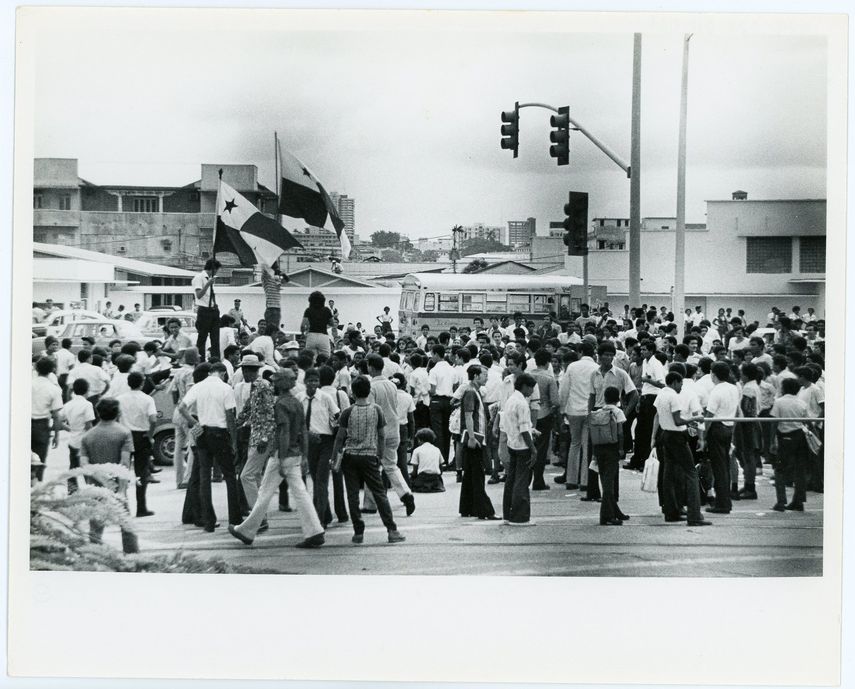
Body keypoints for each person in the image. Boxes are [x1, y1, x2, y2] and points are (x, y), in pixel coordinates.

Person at [229, 368, 326, 549]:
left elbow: (284, 432)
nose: (272, 384)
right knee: (301, 493)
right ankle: (315, 531)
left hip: (281, 455)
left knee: (265, 493)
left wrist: (280, 458)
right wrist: (304, 455)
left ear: (280, 383)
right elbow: (303, 430)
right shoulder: (297, 402)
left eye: (275, 381)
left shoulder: (280, 404)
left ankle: (246, 531)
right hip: (295, 454)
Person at [331, 375, 406, 544]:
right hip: (370, 456)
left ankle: (358, 532)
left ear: (353, 393)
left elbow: (340, 437)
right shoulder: (377, 410)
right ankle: (391, 530)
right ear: (368, 391)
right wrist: (379, 455)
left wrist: (334, 457)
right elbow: (381, 435)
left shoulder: (347, 412)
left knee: (352, 494)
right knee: (379, 493)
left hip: (350, 456)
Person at [177, 361, 241, 532]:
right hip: (219, 434)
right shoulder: (226, 388)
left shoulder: (199, 386)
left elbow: (182, 407)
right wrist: (233, 441)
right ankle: (235, 519)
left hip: (203, 433)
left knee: (205, 477)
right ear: (222, 373)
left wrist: (194, 423)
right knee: (229, 476)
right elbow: (230, 416)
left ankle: (208, 521)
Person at [78, 398, 139, 554]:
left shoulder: (87, 437)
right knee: (126, 526)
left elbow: (85, 466)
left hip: (95, 490)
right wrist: (121, 489)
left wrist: (101, 480)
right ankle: (133, 560)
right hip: (118, 487)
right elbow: (125, 463)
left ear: (98, 413)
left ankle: (95, 557)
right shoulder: (124, 433)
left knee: (96, 528)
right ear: (118, 412)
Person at [652, 373, 711, 526]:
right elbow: (678, 421)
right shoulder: (673, 397)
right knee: (691, 473)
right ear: (675, 382)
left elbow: (658, 416)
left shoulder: (661, 394)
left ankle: (670, 511)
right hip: (677, 437)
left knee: (668, 474)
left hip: (665, 435)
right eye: (680, 384)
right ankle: (694, 515)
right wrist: (695, 419)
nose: (681, 387)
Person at [297, 367, 339, 529]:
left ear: (319, 382)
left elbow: (336, 415)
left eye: (315, 381)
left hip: (325, 441)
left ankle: (319, 519)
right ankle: (326, 514)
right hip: (308, 442)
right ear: (305, 382)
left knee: (321, 480)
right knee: (315, 479)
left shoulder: (326, 398)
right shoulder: (299, 398)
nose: (313, 384)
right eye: (310, 381)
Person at [458, 365, 499, 520]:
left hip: (475, 437)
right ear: (475, 376)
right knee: (477, 475)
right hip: (474, 438)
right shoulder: (470, 392)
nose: (486, 377)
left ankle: (467, 507)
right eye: (484, 374)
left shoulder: (474, 391)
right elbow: (468, 416)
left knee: (470, 474)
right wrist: (472, 437)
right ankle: (485, 510)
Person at [117, 372, 157, 517]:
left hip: (124, 435)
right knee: (141, 472)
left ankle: (122, 507)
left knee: (122, 472)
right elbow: (153, 419)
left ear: (128, 383)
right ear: (142, 383)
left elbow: (116, 417)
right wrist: (150, 435)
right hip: (142, 436)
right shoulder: (147, 399)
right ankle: (141, 507)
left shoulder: (120, 399)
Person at [704, 361, 740, 515]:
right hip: (729, 427)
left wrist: (703, 436)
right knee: (724, 465)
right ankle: (726, 502)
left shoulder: (716, 391)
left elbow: (709, 416)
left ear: (714, 374)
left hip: (717, 428)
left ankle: (722, 504)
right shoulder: (734, 388)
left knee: (719, 468)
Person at [501, 372, 538, 526]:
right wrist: (533, 448)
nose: (532, 391)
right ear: (524, 386)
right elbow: (523, 428)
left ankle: (508, 514)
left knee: (511, 480)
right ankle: (520, 516)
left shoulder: (511, 399)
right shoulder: (522, 403)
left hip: (512, 443)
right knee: (522, 482)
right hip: (522, 445)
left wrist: (530, 430)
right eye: (531, 388)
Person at [770, 377, 810, 511]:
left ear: (784, 388)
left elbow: (774, 422)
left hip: (785, 437)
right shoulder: (801, 403)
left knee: (780, 469)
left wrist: (772, 441)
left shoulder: (779, 402)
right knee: (800, 470)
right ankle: (799, 501)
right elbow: (807, 421)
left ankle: (781, 502)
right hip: (800, 436)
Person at [624, 340, 665, 471]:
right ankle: (637, 459)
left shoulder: (656, 364)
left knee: (647, 431)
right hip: (645, 397)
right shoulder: (646, 363)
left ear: (651, 351)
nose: (642, 352)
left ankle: (645, 462)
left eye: (645, 350)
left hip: (653, 398)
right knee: (639, 431)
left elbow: (661, 384)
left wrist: (648, 380)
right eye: (641, 350)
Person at [591, 386, 628, 525]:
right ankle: (606, 516)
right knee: (608, 483)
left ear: (605, 398)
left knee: (605, 480)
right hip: (612, 449)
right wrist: (621, 449)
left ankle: (616, 511)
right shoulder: (618, 412)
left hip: (599, 449)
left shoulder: (598, 412)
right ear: (617, 399)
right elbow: (620, 433)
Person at [168, 347, 200, 489]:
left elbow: (173, 393)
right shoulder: (191, 373)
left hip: (177, 410)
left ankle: (178, 479)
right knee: (193, 445)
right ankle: (188, 478)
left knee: (178, 447)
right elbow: (190, 393)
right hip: (188, 412)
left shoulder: (178, 372)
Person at [529, 348, 559, 491]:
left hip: (528, 415)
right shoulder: (549, 379)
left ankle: (526, 478)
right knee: (541, 450)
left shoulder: (527, 376)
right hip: (544, 414)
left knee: (528, 447)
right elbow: (555, 401)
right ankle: (538, 480)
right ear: (548, 363)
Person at [60, 378, 95, 494]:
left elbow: (59, 421)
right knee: (88, 466)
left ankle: (72, 489)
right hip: (84, 439)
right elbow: (89, 425)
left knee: (73, 466)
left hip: (72, 439)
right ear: (87, 390)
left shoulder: (68, 404)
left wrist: (70, 429)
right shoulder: (87, 404)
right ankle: (92, 489)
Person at [32, 357, 63, 481]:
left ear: (35, 368)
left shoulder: (27, 384)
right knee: (39, 460)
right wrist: (56, 435)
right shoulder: (54, 389)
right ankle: (37, 489)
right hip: (42, 426)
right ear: (52, 370)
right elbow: (56, 415)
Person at [428, 344, 456, 463]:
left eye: (432, 354)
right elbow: (455, 387)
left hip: (437, 400)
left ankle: (440, 460)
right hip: (449, 400)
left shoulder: (434, 370)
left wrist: (428, 391)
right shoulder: (452, 369)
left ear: (436, 354)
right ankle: (445, 457)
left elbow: (433, 390)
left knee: (437, 431)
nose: (431, 357)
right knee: (447, 431)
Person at [192, 258, 221, 361]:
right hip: (204, 310)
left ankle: (215, 360)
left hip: (213, 309)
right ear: (213, 269)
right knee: (202, 338)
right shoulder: (199, 278)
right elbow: (199, 295)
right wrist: (208, 283)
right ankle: (200, 360)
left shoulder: (210, 278)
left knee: (215, 339)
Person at [391, 372, 415, 490]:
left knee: (388, 459)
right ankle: (406, 486)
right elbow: (411, 419)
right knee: (402, 461)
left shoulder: (389, 395)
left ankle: (386, 483)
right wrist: (412, 436)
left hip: (390, 426)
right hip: (403, 428)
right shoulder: (408, 397)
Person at [409, 428, 445, 493]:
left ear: (420, 440)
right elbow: (441, 467)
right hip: (435, 479)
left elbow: (415, 471)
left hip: (422, 478)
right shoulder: (437, 449)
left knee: (410, 480)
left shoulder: (417, 450)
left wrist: (411, 475)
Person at [301, 290, 335, 358]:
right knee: (325, 358)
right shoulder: (326, 310)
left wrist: (303, 334)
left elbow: (302, 325)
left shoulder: (308, 310)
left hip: (311, 335)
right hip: (323, 335)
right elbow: (332, 323)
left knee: (311, 358)